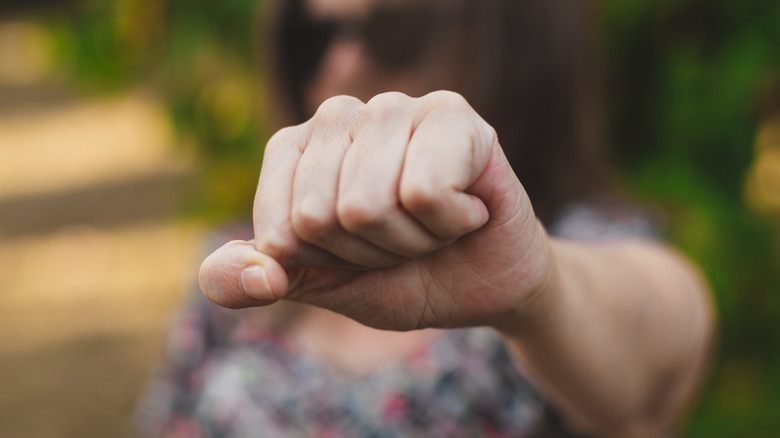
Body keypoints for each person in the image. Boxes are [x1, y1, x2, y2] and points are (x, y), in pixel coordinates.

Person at [138, 0, 715, 436]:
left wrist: (538, 290)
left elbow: (663, 335)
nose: (341, 67)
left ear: (505, 42)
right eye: (307, 40)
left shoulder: (586, 249)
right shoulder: (246, 259)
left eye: (395, 33)